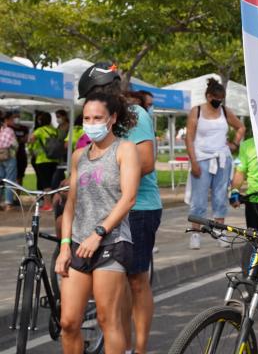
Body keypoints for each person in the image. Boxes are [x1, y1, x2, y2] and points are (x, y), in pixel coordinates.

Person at [78, 62, 163, 354]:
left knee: (136, 279)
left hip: (138, 207)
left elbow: (148, 162)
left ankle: (138, 349)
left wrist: (114, 175)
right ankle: (122, 344)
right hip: (104, 210)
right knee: (118, 280)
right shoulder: (96, 119)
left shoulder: (135, 114)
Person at [54, 91, 140, 354]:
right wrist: (65, 245)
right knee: (68, 322)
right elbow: (71, 204)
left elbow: (129, 198)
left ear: (112, 118)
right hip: (78, 244)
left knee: (107, 320)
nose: (92, 123)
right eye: (87, 118)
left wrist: (99, 233)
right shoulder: (79, 156)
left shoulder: (125, 150)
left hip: (111, 244)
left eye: (98, 117)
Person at [185, 77, 245, 249]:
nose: (218, 102)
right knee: (199, 199)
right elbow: (189, 138)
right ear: (208, 96)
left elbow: (241, 127)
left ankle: (220, 232)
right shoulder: (196, 111)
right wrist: (193, 161)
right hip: (202, 159)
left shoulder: (225, 112)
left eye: (221, 99)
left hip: (222, 159)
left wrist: (234, 143)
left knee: (220, 198)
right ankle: (195, 233)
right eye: (216, 99)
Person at [231, 136, 258, 230]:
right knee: (254, 240)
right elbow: (240, 172)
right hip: (254, 200)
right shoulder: (247, 145)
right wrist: (234, 192)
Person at [28, 111, 61, 210]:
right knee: (51, 182)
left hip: (42, 159)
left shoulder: (39, 130)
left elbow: (31, 140)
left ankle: (48, 204)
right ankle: (52, 203)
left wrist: (31, 148)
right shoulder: (54, 130)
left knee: (45, 183)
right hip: (54, 159)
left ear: (40, 120)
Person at [0, 111, 19, 211]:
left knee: (1, 180)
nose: (14, 121)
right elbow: (15, 144)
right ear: (6, 120)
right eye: (12, 119)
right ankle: (8, 203)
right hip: (9, 156)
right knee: (9, 180)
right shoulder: (9, 130)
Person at [9, 110, 29, 188]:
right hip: (11, 154)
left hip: (21, 153)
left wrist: (19, 140)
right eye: (15, 117)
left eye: (18, 117)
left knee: (20, 175)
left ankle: (18, 194)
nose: (16, 118)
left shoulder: (24, 128)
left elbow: (25, 139)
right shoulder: (9, 128)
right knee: (10, 176)